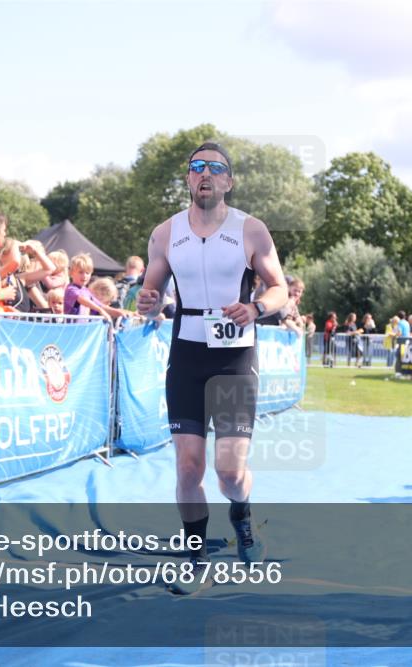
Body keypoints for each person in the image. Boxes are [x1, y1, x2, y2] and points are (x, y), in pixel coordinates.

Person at [136, 142, 288, 594]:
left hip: (233, 358)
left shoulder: (251, 230)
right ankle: (195, 555)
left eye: (215, 168)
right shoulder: (165, 233)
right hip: (187, 356)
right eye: (196, 167)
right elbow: (149, 296)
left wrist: (257, 308)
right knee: (187, 466)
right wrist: (147, 303)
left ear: (228, 181)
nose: (205, 174)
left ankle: (242, 518)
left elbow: (279, 288)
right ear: (187, 179)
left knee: (228, 472)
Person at [64, 253, 133, 320]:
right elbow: (82, 300)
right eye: (81, 272)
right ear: (71, 273)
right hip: (71, 330)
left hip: (82, 329)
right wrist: (100, 310)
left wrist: (125, 313)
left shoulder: (86, 291)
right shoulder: (71, 289)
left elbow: (102, 306)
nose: (84, 276)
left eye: (87, 273)